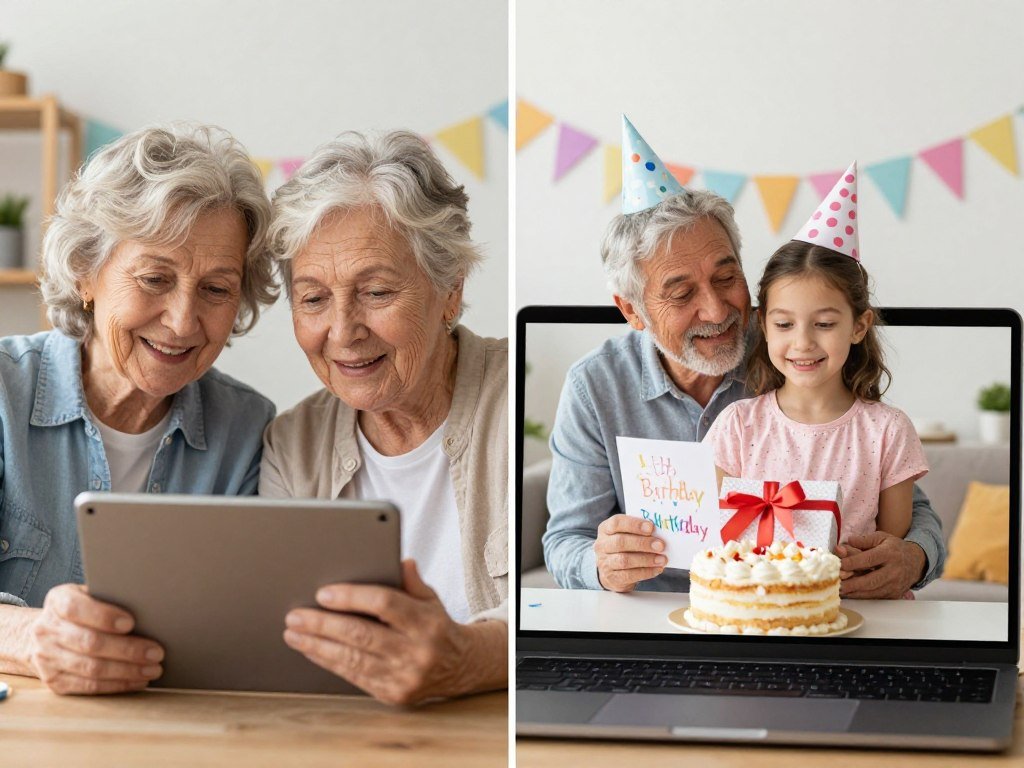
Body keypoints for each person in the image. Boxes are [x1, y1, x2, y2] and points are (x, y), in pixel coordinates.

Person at [543, 117, 945, 598]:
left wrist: (913, 557)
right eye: (681, 292)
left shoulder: (794, 353)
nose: (716, 310)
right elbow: (565, 540)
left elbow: (895, 502)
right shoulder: (596, 386)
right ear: (632, 310)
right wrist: (601, 563)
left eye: (725, 276)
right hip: (656, 618)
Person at [0, 124, 277, 694]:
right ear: (86, 272)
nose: (181, 321)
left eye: (217, 290)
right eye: (154, 278)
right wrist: (31, 637)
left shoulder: (248, 431)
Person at [260, 130, 507, 705]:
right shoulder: (293, 444)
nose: (343, 332)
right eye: (313, 298)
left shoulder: (518, 401)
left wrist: (471, 658)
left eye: (375, 291)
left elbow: (572, 592)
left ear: (449, 291)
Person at [706, 163, 928, 557]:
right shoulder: (738, 426)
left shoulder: (888, 432)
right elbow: (718, 538)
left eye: (824, 323)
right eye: (785, 324)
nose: (803, 342)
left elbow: (889, 550)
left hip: (861, 613)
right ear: (764, 325)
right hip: (759, 612)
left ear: (859, 326)